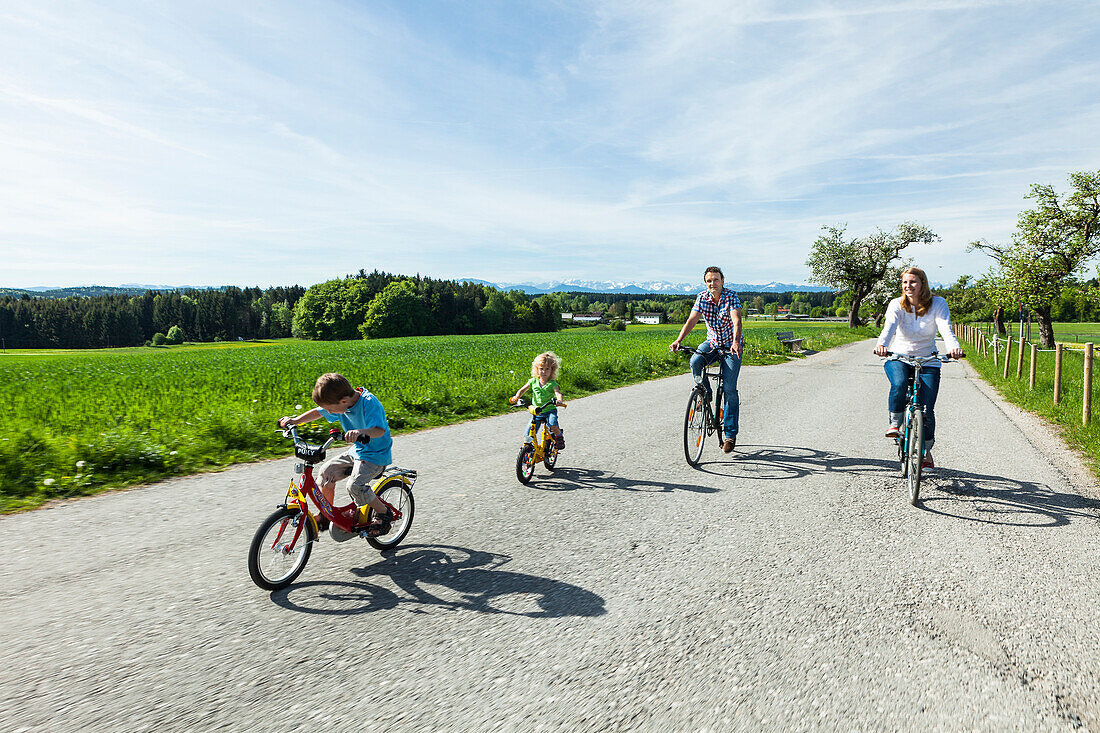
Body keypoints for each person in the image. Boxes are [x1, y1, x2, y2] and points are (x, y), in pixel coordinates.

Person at [279, 372, 394, 541]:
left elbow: (379, 430)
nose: (329, 412)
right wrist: (295, 421)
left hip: (376, 456)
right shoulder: (341, 404)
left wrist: (360, 432)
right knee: (326, 473)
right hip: (357, 452)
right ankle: (326, 515)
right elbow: (318, 412)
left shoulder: (369, 403)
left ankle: (384, 514)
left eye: (330, 409)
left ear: (344, 401)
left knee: (354, 486)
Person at [874, 266, 964, 469]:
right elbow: (889, 327)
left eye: (913, 282)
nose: (908, 286)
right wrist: (882, 345)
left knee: (927, 409)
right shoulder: (896, 304)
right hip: (899, 356)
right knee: (898, 384)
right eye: (905, 282)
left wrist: (954, 348)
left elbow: (945, 328)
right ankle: (895, 424)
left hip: (928, 359)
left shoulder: (938, 303)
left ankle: (925, 450)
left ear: (923, 283)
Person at [669, 266, 744, 453]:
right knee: (695, 361)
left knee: (729, 389)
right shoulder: (702, 297)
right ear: (705, 283)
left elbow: (736, 320)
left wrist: (735, 342)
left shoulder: (731, 296)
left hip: (730, 346)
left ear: (722, 281)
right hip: (712, 343)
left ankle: (730, 435)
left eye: (716, 280)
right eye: (709, 280)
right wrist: (679, 340)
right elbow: (692, 320)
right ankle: (705, 393)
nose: (713, 283)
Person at [510, 351, 566, 450]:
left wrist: (559, 400)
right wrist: (517, 396)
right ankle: (525, 450)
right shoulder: (533, 381)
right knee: (528, 433)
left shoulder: (552, 383)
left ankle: (559, 437)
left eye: (547, 369)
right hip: (537, 411)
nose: (544, 372)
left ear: (552, 370)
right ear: (537, 369)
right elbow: (523, 389)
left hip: (549, 410)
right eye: (541, 369)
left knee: (553, 425)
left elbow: (558, 393)